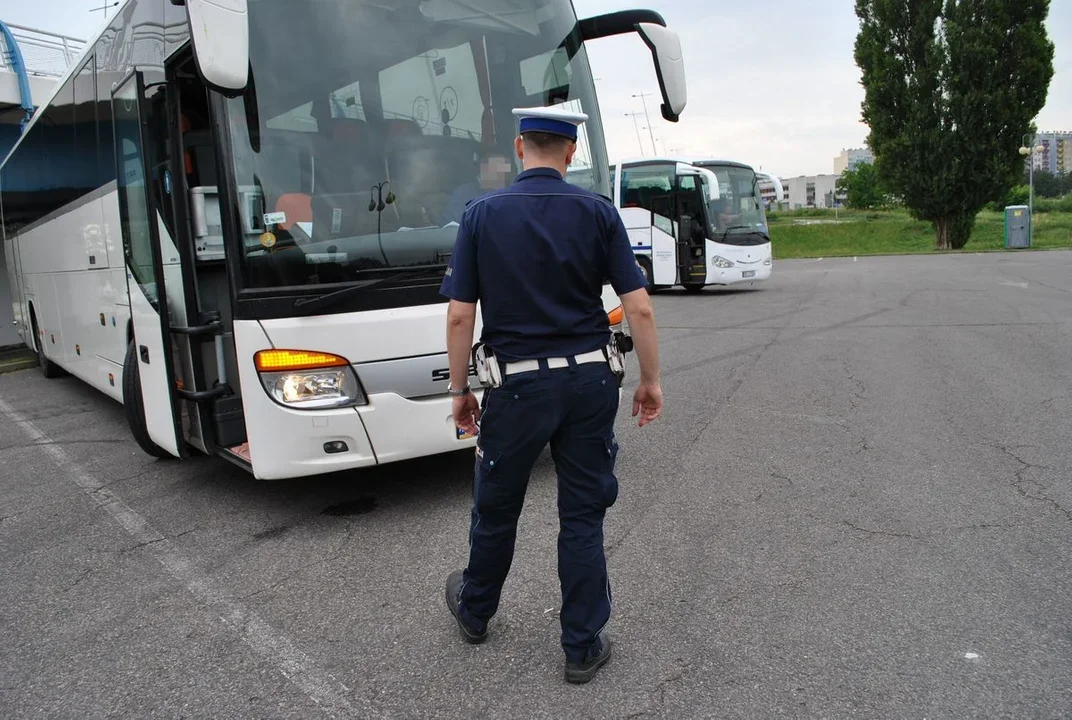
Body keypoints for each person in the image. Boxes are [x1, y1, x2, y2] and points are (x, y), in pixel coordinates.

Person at [438, 105, 664, 684]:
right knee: (582, 515)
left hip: (515, 388)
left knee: (497, 507)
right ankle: (581, 645)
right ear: (569, 154)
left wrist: (461, 389)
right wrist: (649, 381)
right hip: (590, 381)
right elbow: (636, 305)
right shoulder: (598, 212)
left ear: (520, 148)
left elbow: (461, 315)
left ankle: (475, 611)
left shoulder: (480, 215)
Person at [441, 147, 513, 225]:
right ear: (481, 167)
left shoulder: (514, 193)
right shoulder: (462, 195)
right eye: (493, 165)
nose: (499, 171)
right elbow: (450, 229)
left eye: (502, 166)